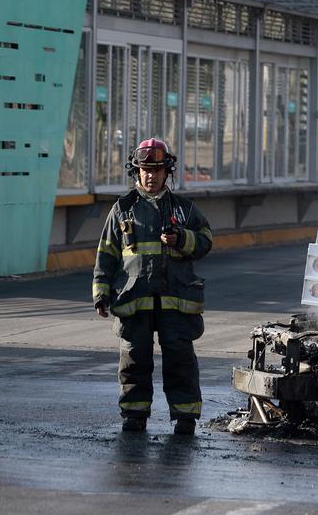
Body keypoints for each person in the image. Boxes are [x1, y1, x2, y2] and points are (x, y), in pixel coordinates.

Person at [93, 138, 212, 435]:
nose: (151, 175)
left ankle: (185, 418)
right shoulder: (122, 210)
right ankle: (134, 415)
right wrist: (101, 293)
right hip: (135, 301)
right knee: (134, 359)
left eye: (157, 170)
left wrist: (182, 239)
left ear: (167, 172)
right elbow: (106, 254)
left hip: (176, 301)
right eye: (145, 169)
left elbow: (206, 241)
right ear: (136, 172)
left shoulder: (185, 210)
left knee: (180, 359)